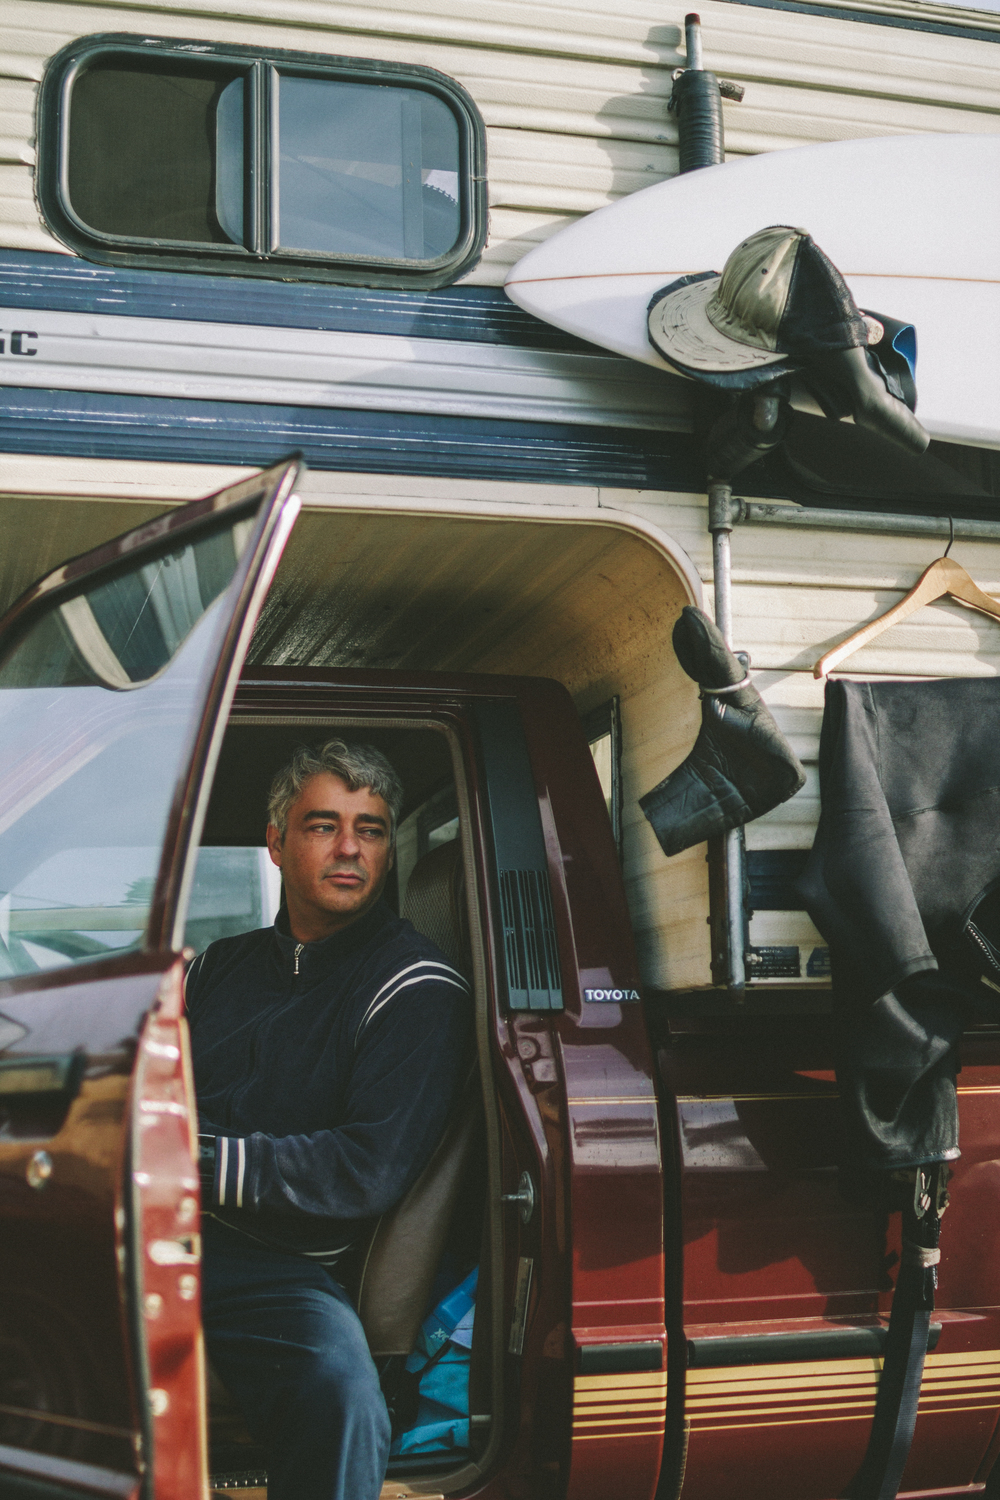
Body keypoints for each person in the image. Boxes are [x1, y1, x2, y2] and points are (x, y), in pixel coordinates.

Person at [185, 739, 472, 1500]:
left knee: (339, 1390)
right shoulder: (217, 967)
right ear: (275, 843)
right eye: (322, 825)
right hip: (152, 1224)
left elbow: (364, 1167)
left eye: (371, 829)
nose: (349, 849)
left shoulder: (415, 988)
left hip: (276, 1262)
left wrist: (197, 1159)